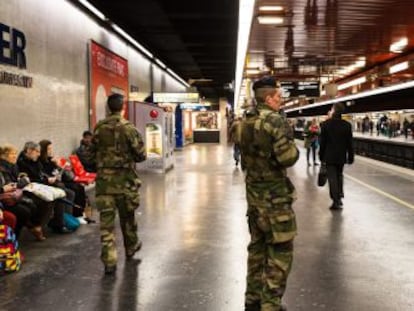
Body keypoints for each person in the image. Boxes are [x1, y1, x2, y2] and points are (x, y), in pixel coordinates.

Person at [239, 77, 299, 311]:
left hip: (254, 198)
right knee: (280, 251)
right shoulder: (275, 121)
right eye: (278, 97)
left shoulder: (245, 122)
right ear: (268, 98)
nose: (281, 101)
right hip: (275, 200)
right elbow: (287, 157)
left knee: (257, 248)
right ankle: (271, 303)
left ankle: (252, 297)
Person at [91, 93, 146, 275]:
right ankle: (130, 247)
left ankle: (109, 261)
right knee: (127, 218)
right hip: (125, 183)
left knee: (106, 224)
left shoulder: (98, 128)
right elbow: (141, 155)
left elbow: (90, 155)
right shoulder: (129, 128)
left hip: (104, 185)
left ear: (108, 108)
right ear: (123, 108)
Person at [17, 142, 72, 233]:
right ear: (29, 150)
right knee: (59, 195)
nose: (39, 154)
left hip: (40, 185)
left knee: (65, 192)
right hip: (31, 189)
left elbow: (42, 173)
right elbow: (30, 180)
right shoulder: (22, 163)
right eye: (37, 152)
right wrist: (47, 180)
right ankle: (56, 224)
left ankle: (62, 222)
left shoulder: (35, 160)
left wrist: (54, 168)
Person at [0, 144, 50, 240]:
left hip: (14, 195)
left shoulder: (12, 166)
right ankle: (22, 233)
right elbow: (10, 185)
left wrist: (22, 179)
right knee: (25, 210)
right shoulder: (4, 167)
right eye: (12, 154)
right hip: (6, 199)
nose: (15, 156)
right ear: (4, 156)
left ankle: (35, 227)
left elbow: (15, 181)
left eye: (15, 153)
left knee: (41, 202)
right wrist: (5, 188)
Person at [319, 103, 354, 210]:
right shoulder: (347, 125)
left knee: (332, 178)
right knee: (339, 176)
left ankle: (335, 201)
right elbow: (350, 143)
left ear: (333, 111)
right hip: (341, 157)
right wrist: (351, 156)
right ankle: (339, 197)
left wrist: (321, 155)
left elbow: (322, 143)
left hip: (329, 156)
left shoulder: (325, 124)